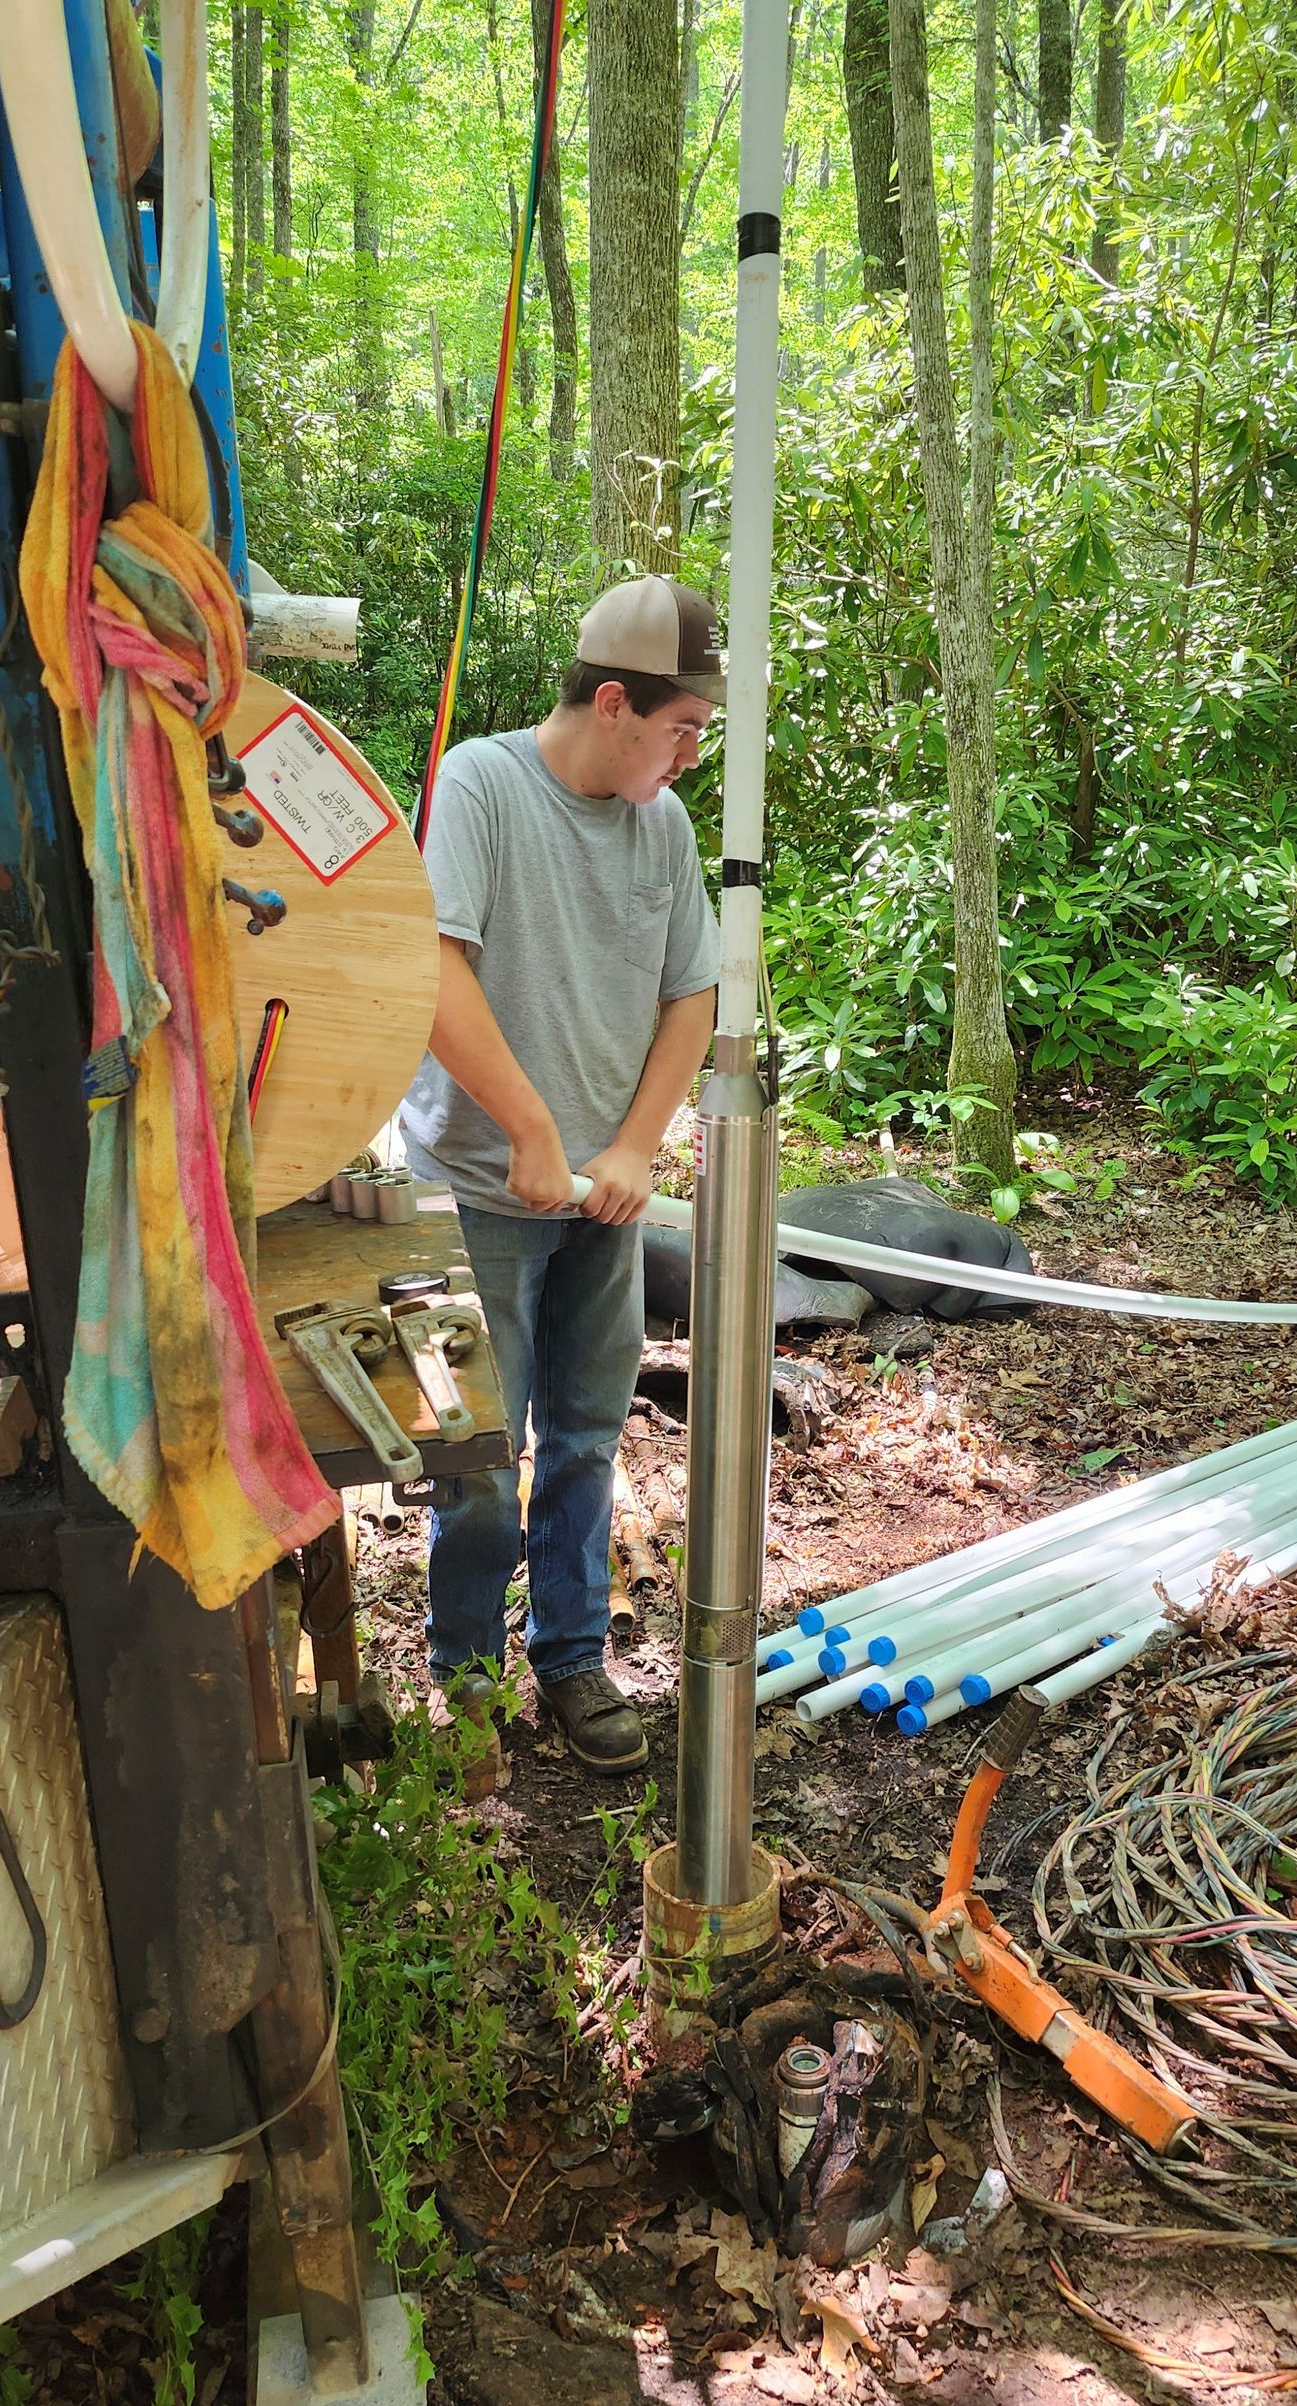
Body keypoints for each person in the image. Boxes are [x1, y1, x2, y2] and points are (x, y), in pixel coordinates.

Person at [398, 575, 723, 1784]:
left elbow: (691, 994)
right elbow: (435, 974)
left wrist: (635, 1144)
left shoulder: (664, 827)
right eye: (683, 727)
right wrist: (531, 1127)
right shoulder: (484, 785)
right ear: (611, 704)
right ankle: (467, 1676)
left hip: (606, 1201)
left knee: (587, 1436)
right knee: (480, 1452)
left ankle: (571, 1654)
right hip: (480, 1189)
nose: (692, 754)